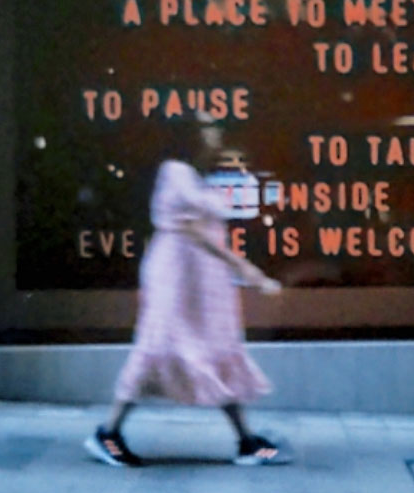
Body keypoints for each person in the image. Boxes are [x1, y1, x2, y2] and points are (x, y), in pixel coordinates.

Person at [85, 110, 290, 468]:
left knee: (205, 348)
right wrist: (246, 270)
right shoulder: (177, 173)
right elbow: (194, 231)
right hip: (179, 280)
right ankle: (109, 433)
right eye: (209, 129)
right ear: (191, 136)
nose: (216, 135)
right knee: (163, 347)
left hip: (193, 282)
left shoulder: (190, 175)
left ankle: (244, 440)